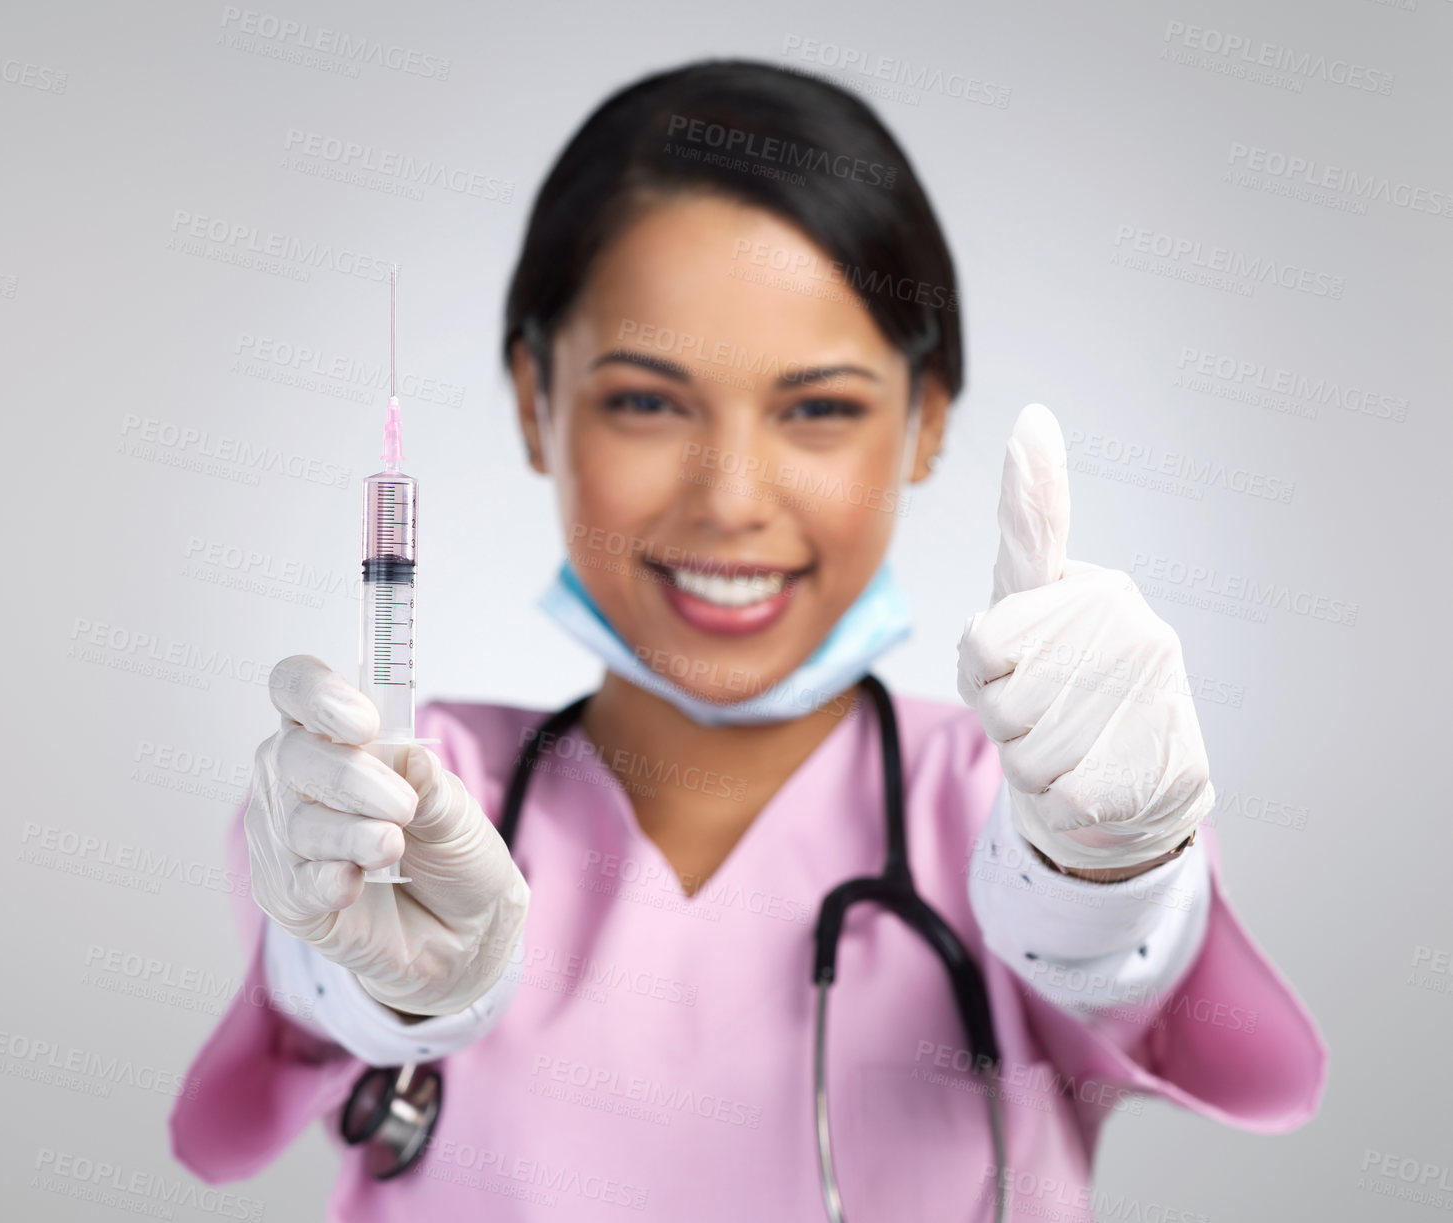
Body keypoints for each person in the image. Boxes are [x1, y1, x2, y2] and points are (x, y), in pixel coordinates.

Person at [170, 59, 1324, 1222]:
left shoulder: (1030, 793)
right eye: (646, 399)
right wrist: (383, 985)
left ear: (925, 420)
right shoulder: (399, 786)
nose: (728, 500)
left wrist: (1103, 874)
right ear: (533, 399)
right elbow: (319, 996)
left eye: (817, 406)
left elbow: (1131, 974)